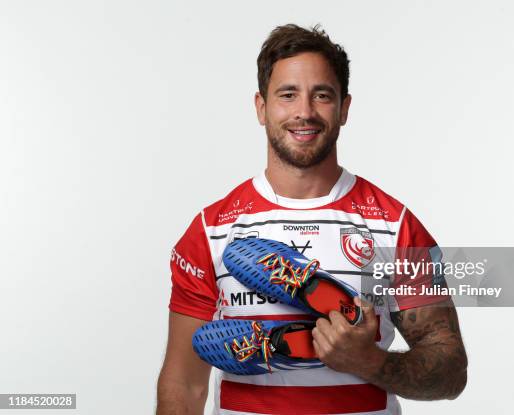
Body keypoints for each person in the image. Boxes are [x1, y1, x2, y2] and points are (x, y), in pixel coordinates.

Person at [156, 24, 467, 415]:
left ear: (345, 108)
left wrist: (368, 361)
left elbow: (451, 371)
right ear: (261, 107)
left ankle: (309, 325)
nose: (304, 111)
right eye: (288, 95)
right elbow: (184, 384)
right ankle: (290, 341)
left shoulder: (395, 225)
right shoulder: (211, 229)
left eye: (321, 95)